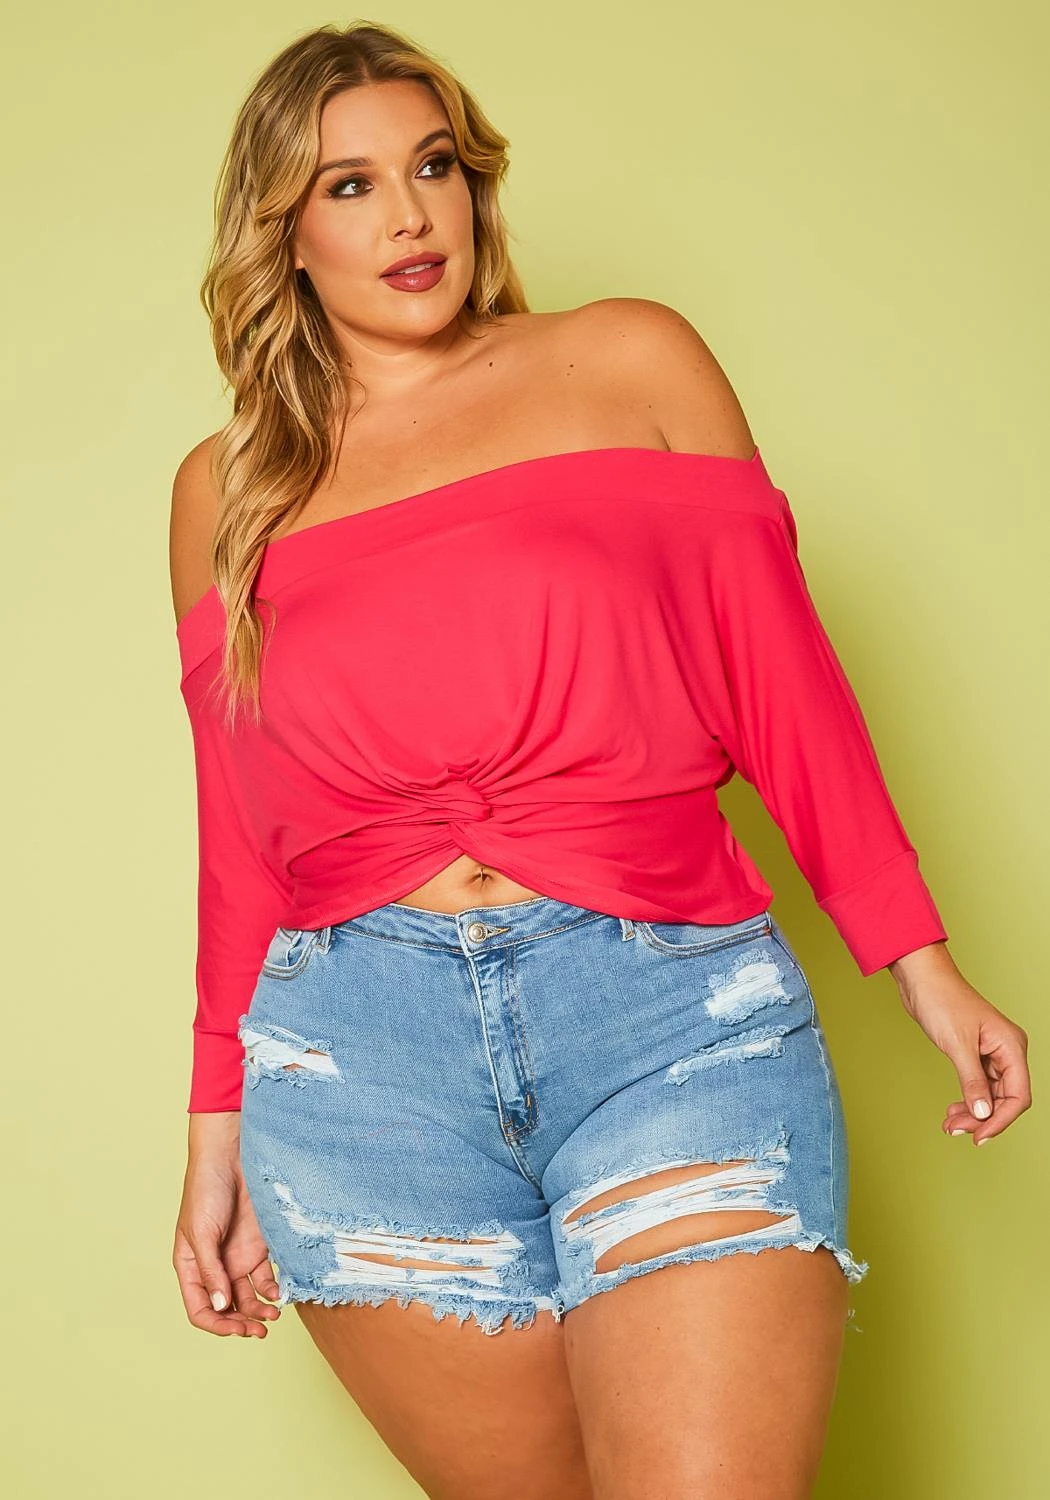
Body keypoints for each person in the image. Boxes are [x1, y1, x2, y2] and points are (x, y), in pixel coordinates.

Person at [168, 21, 1031, 1500]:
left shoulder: (629, 359)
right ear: (284, 234)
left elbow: (781, 681)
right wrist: (214, 1127)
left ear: (475, 181)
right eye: (350, 187)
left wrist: (917, 958)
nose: (411, 216)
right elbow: (244, 832)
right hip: (358, 1070)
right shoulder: (227, 488)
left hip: (664, 1015)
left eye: (434, 166)